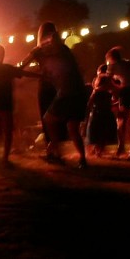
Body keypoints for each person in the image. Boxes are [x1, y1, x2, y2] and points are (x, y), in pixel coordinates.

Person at [19, 22, 88, 168]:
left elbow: (21, 66)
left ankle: (54, 150)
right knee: (71, 126)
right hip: (77, 90)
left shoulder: (39, 51)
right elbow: (75, 68)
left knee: (48, 120)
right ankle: (81, 158)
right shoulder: (64, 49)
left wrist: (30, 74)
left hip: (64, 91)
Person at [0, 44, 39, 165]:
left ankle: (0, 155)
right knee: (6, 131)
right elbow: (24, 73)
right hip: (4, 102)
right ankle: (4, 158)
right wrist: (40, 76)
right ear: (2, 55)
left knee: (2, 130)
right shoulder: (4, 68)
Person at [85, 63, 118, 157]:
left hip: (98, 113)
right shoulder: (106, 91)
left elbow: (90, 102)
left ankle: (98, 150)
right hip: (104, 113)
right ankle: (99, 150)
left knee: (97, 132)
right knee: (102, 132)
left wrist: (88, 112)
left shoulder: (98, 91)